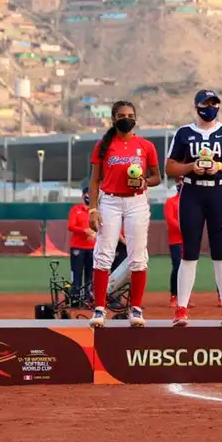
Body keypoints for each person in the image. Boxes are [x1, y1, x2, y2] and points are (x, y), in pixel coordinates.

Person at [165, 89, 222, 327]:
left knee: (221, 252)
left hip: (218, 192)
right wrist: (191, 167)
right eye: (205, 103)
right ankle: (181, 308)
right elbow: (170, 167)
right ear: (197, 106)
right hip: (192, 192)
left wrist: (219, 166)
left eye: (214, 103)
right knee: (189, 252)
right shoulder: (184, 133)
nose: (210, 108)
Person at [87, 100, 160, 328]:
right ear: (113, 119)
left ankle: (135, 308)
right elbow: (94, 180)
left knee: (137, 257)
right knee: (103, 254)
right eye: (121, 116)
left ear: (135, 118)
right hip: (109, 201)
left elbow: (157, 177)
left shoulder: (146, 146)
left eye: (130, 115)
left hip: (136, 202)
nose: (126, 119)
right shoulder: (103, 145)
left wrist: (144, 181)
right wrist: (92, 209)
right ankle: (99, 309)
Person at [67, 187, 95, 305]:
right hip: (77, 247)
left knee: (90, 274)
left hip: (92, 247)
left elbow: (101, 225)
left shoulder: (96, 211)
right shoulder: (76, 209)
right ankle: (75, 297)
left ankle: (88, 298)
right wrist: (85, 231)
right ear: (83, 196)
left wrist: (94, 233)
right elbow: (71, 226)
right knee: (77, 273)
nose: (90, 197)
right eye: (88, 194)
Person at [164, 177, 184, 308]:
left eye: (183, 181)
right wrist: (184, 228)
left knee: (188, 268)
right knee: (177, 267)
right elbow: (170, 219)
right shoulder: (171, 202)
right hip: (176, 240)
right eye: (179, 181)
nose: (181, 183)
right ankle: (174, 295)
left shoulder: (191, 201)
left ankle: (184, 297)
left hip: (189, 240)